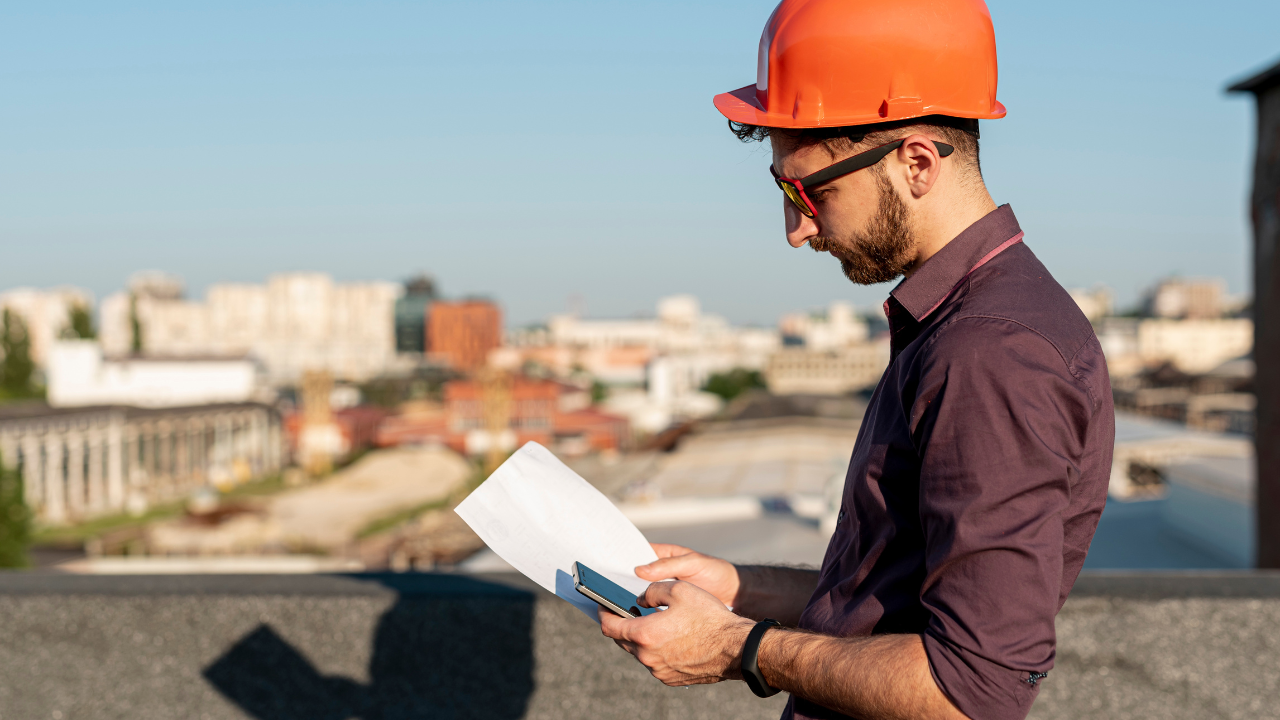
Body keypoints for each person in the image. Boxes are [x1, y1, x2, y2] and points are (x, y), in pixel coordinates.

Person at [597, 1, 1115, 719]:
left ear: (916, 162)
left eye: (810, 190)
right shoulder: (958, 322)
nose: (796, 227)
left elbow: (973, 692)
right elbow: (893, 596)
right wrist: (741, 589)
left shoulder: (990, 351)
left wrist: (740, 648)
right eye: (782, 190)